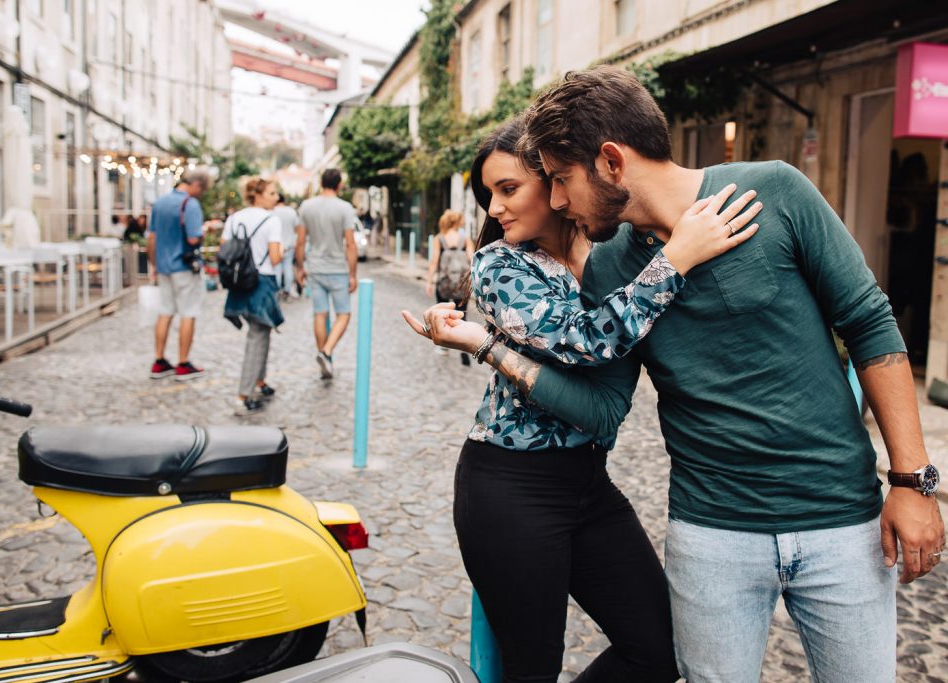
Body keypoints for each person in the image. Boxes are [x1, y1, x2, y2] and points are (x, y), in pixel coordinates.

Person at [417, 66, 946, 683]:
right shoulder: (611, 267)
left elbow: (870, 324)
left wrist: (911, 480)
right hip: (711, 534)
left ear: (611, 161)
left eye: (560, 180)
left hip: (841, 522)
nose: (555, 199)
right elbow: (603, 405)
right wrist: (491, 347)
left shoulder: (774, 192)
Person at [401, 118, 760, 683]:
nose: (493, 209)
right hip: (509, 485)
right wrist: (678, 257)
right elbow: (585, 342)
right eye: (487, 194)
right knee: (532, 667)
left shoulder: (612, 248)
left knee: (659, 650)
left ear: (555, 182)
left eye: (509, 189)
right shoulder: (499, 265)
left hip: (590, 484)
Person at [221, 178, 285, 416]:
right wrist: (283, 250)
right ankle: (243, 394)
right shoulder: (272, 220)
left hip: (240, 283)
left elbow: (224, 248)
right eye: (271, 192)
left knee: (261, 332)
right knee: (257, 336)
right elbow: (275, 257)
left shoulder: (235, 218)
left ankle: (259, 381)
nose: (276, 197)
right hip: (262, 282)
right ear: (258, 195)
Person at [147, 167, 212, 380]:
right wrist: (205, 231)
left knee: (165, 312)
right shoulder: (190, 205)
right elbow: (193, 238)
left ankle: (159, 360)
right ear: (196, 185)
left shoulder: (160, 202)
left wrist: (154, 264)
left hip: (163, 266)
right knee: (188, 312)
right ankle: (183, 363)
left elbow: (152, 238)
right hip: (183, 267)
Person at [295, 169, 358, 379]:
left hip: (315, 267)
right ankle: (326, 351)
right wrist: (352, 274)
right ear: (339, 184)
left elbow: (301, 241)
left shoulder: (306, 206)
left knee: (320, 314)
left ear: (322, 183)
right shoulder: (344, 208)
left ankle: (325, 362)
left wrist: (299, 267)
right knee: (344, 314)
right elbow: (350, 243)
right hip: (337, 268)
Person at [426, 209, 475, 366]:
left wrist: (429, 281)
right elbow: (473, 260)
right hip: (462, 284)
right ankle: (464, 349)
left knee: (442, 314)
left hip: (445, 283)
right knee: (462, 315)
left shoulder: (439, 239)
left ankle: (444, 348)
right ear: (457, 222)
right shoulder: (465, 239)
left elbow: (434, 262)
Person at [273, 192, 300, 299]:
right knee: (288, 268)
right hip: (289, 245)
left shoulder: (272, 212)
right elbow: (297, 229)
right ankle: (287, 290)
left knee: (277, 269)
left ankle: (277, 290)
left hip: (276, 245)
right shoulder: (291, 212)